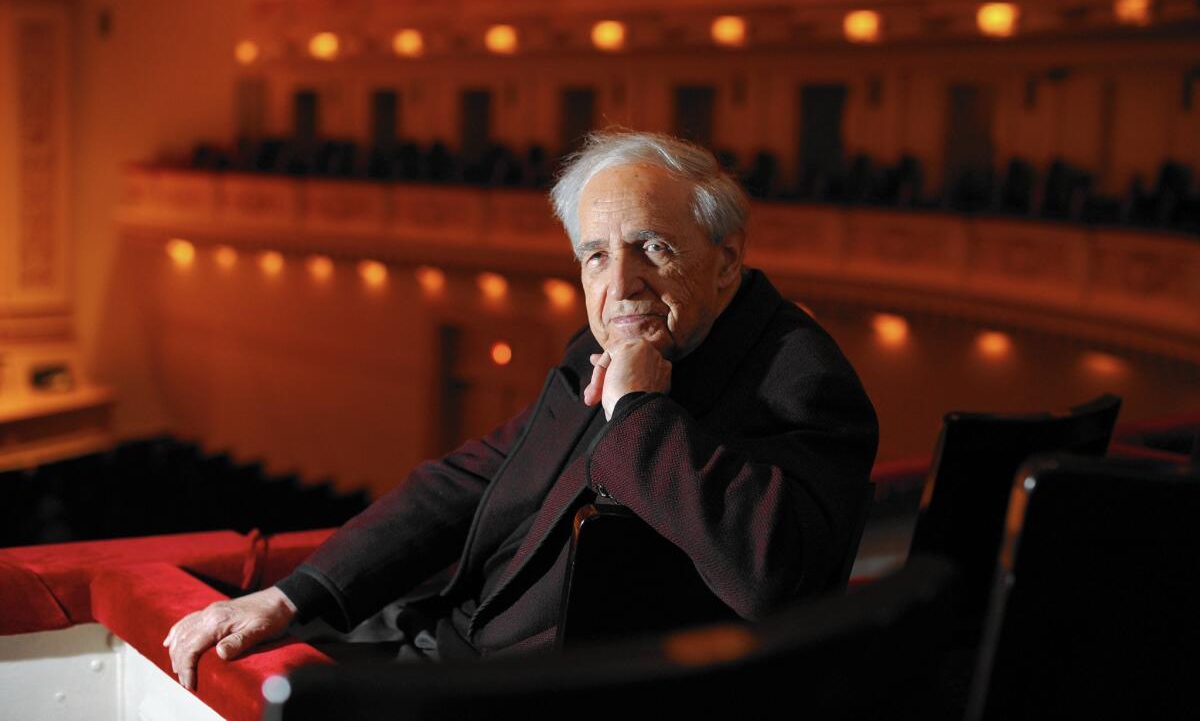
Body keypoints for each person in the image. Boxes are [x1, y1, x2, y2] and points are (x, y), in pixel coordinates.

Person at [164, 130, 878, 688]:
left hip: (552, 696)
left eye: (653, 248)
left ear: (726, 261)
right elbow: (469, 478)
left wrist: (636, 412)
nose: (621, 283)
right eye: (595, 255)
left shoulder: (802, 373)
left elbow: (780, 580)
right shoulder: (592, 347)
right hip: (453, 646)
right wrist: (292, 596)